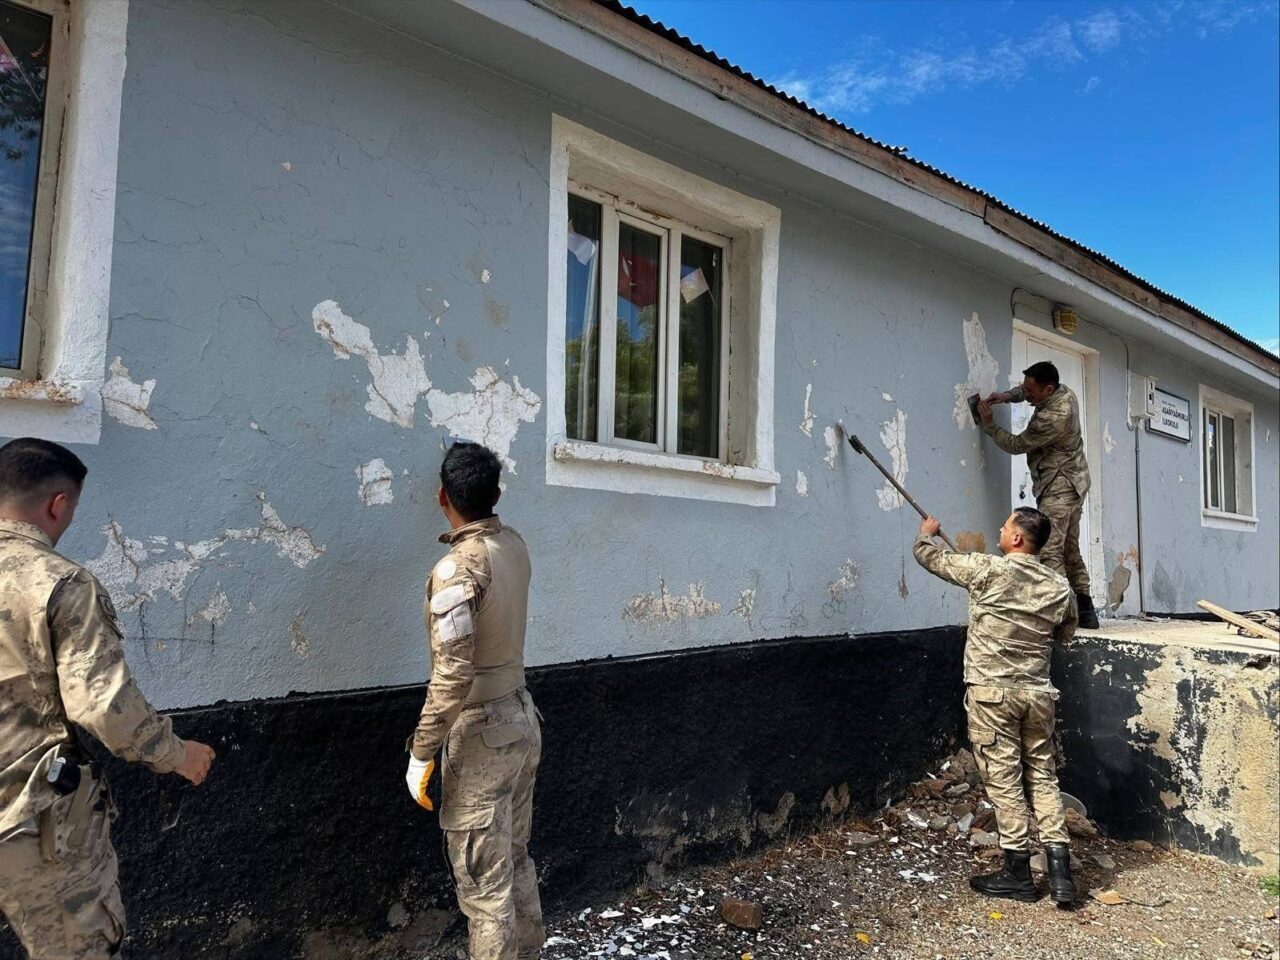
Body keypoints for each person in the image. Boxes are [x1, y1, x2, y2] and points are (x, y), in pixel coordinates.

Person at [0, 437, 216, 958]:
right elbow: (101, 703)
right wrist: (177, 755)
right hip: (31, 820)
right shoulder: (59, 583)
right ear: (59, 504)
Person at [403, 441, 543, 959]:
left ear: (443, 495)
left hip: (482, 734)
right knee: (516, 860)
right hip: (522, 718)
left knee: (486, 890)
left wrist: (421, 753)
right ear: (496, 494)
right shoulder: (515, 545)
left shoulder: (458, 570)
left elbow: (452, 676)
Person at [913, 508, 1077, 906]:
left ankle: (1018, 874)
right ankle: (1061, 875)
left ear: (1018, 539)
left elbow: (931, 559)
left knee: (1005, 782)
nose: (1000, 529)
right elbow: (1066, 632)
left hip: (993, 694)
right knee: (1042, 776)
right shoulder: (1058, 586)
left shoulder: (987, 570)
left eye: (1005, 526)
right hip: (1037, 695)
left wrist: (926, 534)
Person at [979, 361, 1099, 629]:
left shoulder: (1054, 417)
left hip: (1060, 484)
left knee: (1050, 549)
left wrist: (989, 426)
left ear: (1048, 389)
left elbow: (1016, 444)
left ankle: (1063, 614)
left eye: (1032, 392)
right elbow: (1026, 392)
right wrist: (1007, 396)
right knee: (1069, 547)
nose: (1027, 395)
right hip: (1075, 480)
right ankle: (1086, 610)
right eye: (1025, 388)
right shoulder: (1063, 390)